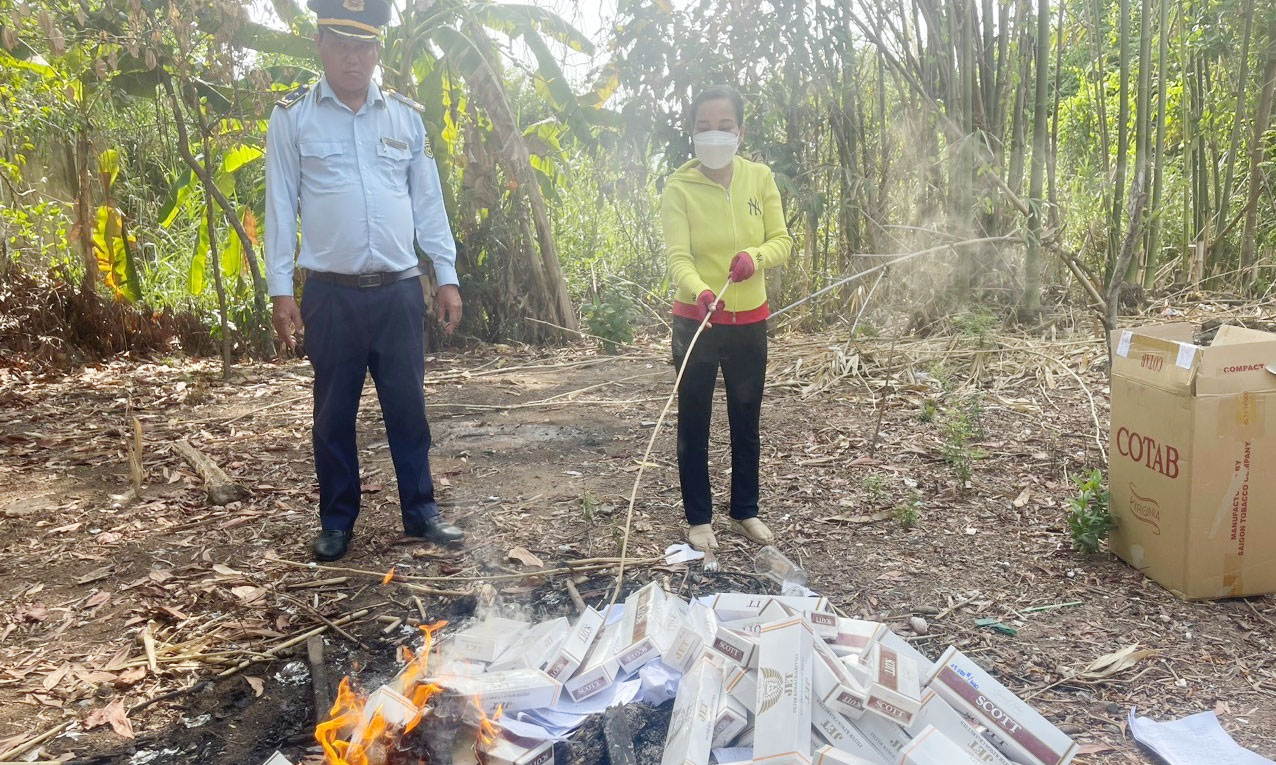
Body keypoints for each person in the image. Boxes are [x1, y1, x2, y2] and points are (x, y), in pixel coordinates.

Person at [265, 0, 464, 562]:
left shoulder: (405, 117)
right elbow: (280, 206)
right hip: (331, 294)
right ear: (320, 42)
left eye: (365, 45)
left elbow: (428, 204)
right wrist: (282, 290)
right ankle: (337, 521)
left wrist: (444, 275)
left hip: (400, 289)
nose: (355, 57)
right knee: (333, 413)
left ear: (379, 50)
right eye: (342, 43)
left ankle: (422, 512)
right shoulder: (293, 118)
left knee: (408, 406)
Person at [661, 85, 793, 551]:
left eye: (724, 127)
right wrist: (699, 291)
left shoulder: (760, 179)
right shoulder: (679, 187)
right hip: (695, 319)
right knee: (693, 420)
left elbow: (782, 240)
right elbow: (678, 256)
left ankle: (745, 511)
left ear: (740, 131)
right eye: (703, 127)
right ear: (692, 133)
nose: (713, 135)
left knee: (746, 416)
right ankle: (698, 519)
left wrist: (755, 257)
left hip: (750, 321)